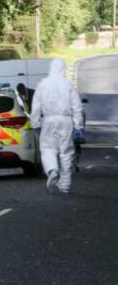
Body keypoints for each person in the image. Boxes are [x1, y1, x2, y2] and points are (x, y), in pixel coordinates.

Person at [30, 58, 84, 194]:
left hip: (48, 120)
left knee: (48, 148)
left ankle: (52, 170)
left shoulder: (43, 84)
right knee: (66, 152)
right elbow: (76, 106)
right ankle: (65, 185)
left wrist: (35, 123)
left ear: (51, 68)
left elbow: (36, 105)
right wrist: (78, 127)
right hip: (66, 121)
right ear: (63, 69)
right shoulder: (67, 84)